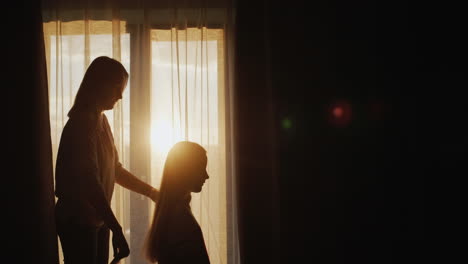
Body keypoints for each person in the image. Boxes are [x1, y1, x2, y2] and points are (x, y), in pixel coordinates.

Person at [54, 56, 159, 264]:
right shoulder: (82, 124)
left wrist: (151, 192)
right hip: (77, 220)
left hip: (96, 218)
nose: (120, 96)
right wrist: (116, 227)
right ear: (100, 84)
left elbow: (115, 170)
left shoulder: (101, 121)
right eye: (118, 87)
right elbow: (89, 181)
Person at [145, 141, 211, 264]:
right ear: (186, 171)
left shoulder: (170, 214)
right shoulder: (182, 219)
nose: (207, 176)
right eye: (202, 169)